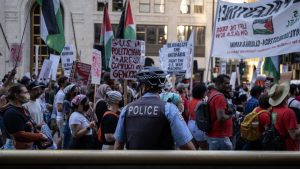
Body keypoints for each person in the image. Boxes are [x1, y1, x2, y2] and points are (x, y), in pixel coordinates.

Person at [114, 66, 195, 150]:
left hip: (134, 162)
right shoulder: (169, 109)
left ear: (144, 87)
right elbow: (186, 145)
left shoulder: (126, 109)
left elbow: (118, 145)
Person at [2, 84, 49, 149]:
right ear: (16, 95)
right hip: (16, 152)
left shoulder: (23, 109)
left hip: (27, 149)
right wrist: (40, 136)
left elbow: (29, 126)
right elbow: (19, 135)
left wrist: (38, 132)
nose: (28, 94)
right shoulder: (11, 112)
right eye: (25, 92)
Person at [268, 82, 300, 151]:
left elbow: (277, 126)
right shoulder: (288, 112)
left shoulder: (273, 110)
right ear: (285, 96)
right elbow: (294, 135)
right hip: (289, 149)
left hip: (278, 147)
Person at [207, 74, 233, 150]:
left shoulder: (213, 93)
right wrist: (231, 115)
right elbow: (221, 117)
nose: (228, 85)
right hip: (220, 136)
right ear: (219, 83)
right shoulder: (219, 97)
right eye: (226, 83)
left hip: (216, 135)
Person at [187, 83, 208, 150]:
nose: (206, 93)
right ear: (201, 92)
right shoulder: (201, 103)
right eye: (205, 92)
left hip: (190, 125)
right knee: (206, 150)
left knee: (194, 150)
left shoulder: (190, 101)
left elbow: (188, 114)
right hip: (199, 127)